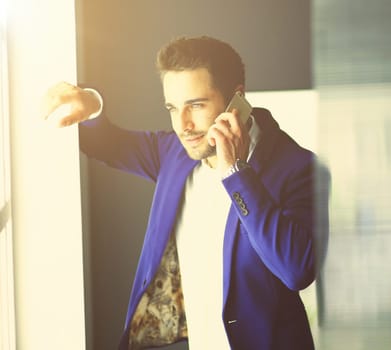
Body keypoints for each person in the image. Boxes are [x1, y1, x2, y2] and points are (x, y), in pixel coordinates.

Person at [43, 36, 329, 350]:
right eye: (172, 108)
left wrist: (236, 172)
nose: (183, 125)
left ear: (237, 99)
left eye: (195, 105)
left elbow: (297, 270)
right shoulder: (174, 154)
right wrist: (91, 105)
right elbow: (109, 144)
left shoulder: (299, 167)